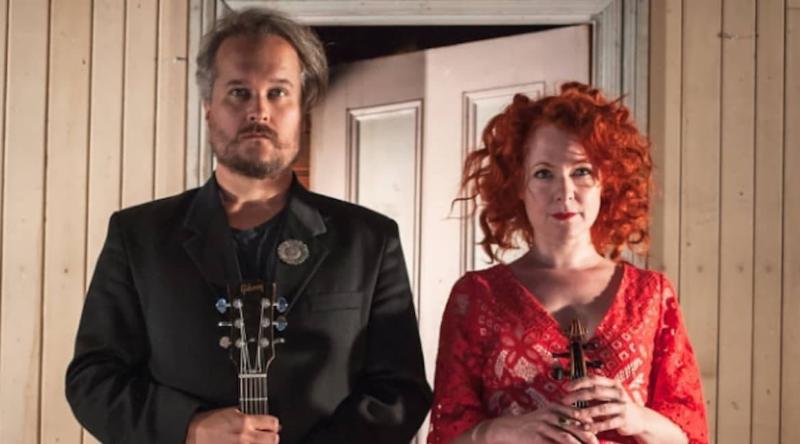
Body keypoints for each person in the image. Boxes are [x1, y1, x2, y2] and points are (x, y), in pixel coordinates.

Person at [66, 8, 431, 444]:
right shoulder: (139, 236)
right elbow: (92, 380)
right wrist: (189, 428)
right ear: (208, 108)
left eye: (278, 93)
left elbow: (400, 391)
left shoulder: (369, 240)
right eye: (239, 92)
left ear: (302, 110)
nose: (259, 110)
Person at [428, 83, 707, 444]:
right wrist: (506, 430)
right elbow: (447, 436)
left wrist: (636, 418)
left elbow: (691, 435)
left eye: (582, 171)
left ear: (607, 180)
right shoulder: (477, 296)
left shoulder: (651, 294)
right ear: (517, 185)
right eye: (543, 173)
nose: (565, 191)